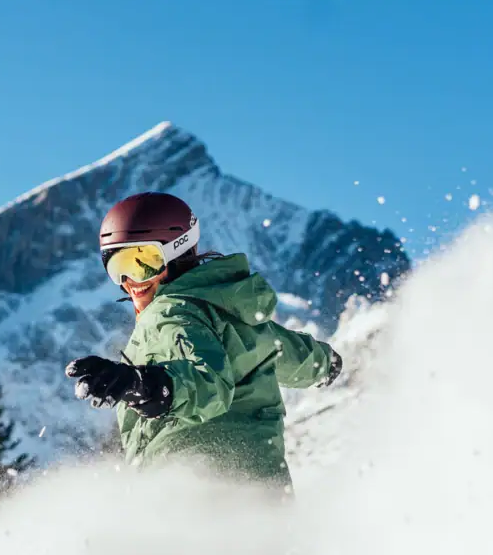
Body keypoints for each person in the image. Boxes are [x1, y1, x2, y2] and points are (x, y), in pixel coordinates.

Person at [65, 191, 343, 494]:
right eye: (117, 267)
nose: (130, 280)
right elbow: (282, 350)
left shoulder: (169, 314)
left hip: (200, 490)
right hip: (261, 493)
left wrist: (145, 386)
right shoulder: (233, 311)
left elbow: (207, 381)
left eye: (142, 262)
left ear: (178, 251)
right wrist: (325, 363)